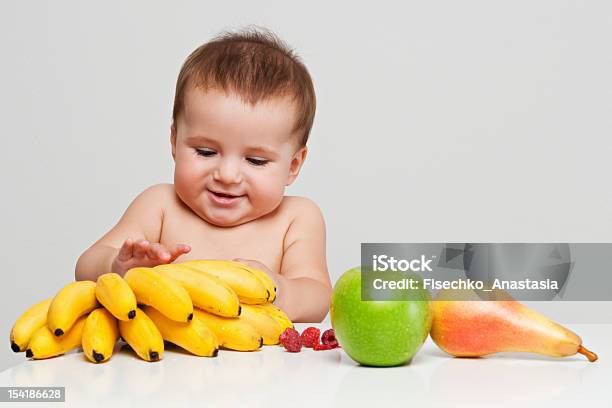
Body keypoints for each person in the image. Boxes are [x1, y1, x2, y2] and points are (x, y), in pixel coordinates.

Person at [75, 27, 331, 322]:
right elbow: (85, 265)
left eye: (256, 160)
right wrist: (117, 266)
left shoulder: (296, 218)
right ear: (174, 142)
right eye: (206, 152)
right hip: (158, 361)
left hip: (264, 364)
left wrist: (278, 289)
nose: (227, 174)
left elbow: (317, 295)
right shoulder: (160, 205)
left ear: (293, 166)